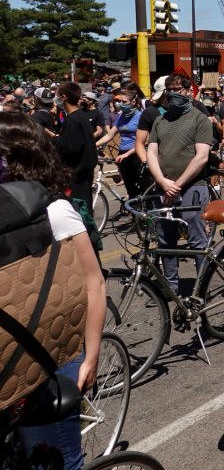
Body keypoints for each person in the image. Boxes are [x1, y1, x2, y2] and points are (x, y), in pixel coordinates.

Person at [1, 112, 106, 470]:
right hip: (6, 363)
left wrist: (90, 356)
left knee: (57, 461)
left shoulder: (54, 210)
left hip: (53, 356)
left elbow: (94, 282)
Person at [146, 72, 214, 294]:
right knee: (166, 243)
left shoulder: (199, 119)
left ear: (187, 91)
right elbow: (151, 154)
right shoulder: (159, 120)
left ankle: (199, 289)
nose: (173, 93)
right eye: (170, 89)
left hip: (193, 189)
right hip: (163, 190)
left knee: (197, 243)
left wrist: (177, 185)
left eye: (178, 89)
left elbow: (201, 157)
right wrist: (163, 182)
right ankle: (171, 288)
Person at [53, 82, 98, 215]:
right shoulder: (81, 116)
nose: (56, 100)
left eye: (58, 96)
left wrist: (54, 139)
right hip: (85, 173)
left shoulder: (72, 120)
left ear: (64, 97)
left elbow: (70, 148)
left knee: (79, 212)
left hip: (76, 176)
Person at [96, 86, 147, 202]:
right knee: (129, 187)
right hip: (122, 154)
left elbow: (145, 141)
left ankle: (143, 213)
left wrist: (127, 154)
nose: (120, 104)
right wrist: (93, 145)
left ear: (133, 102)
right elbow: (110, 135)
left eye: (124, 102)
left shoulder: (141, 116)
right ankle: (133, 213)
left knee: (140, 187)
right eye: (120, 101)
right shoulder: (121, 116)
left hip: (136, 154)